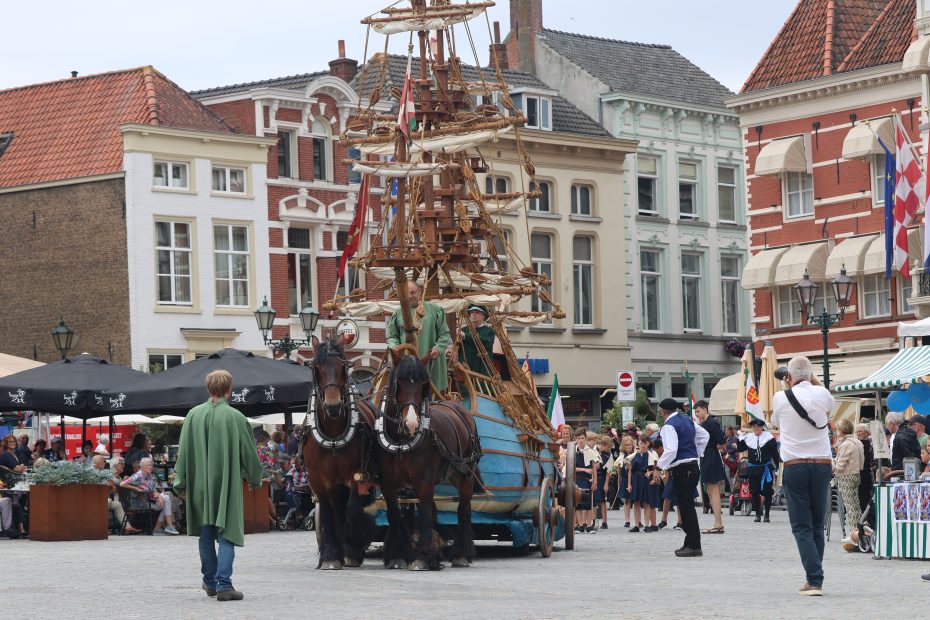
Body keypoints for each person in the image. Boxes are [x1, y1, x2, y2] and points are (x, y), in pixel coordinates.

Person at [173, 370, 264, 602]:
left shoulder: (192, 415)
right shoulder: (236, 417)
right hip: (227, 484)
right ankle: (224, 585)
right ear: (228, 390)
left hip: (199, 485)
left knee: (205, 534)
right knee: (227, 534)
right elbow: (249, 454)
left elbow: (182, 453)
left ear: (208, 388)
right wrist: (255, 478)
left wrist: (180, 482)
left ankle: (210, 582)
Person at [770, 356, 834, 596]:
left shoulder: (780, 397)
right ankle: (814, 574)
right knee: (817, 523)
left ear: (789, 377)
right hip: (822, 463)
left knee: (801, 526)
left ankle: (814, 579)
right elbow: (827, 404)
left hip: (795, 465)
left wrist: (790, 385)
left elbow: (775, 422)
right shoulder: (823, 394)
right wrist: (810, 377)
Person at [657, 398, 709, 557]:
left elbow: (671, 450)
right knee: (686, 506)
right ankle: (690, 541)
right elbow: (704, 435)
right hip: (692, 466)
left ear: (664, 412)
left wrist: (659, 466)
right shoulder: (686, 419)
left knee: (686, 508)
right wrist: (697, 453)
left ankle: (694, 544)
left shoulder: (669, 426)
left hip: (681, 468)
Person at [385, 280, 451, 391]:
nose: (410, 296)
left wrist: (438, 349)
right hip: (405, 363)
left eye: (413, 292)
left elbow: (444, 334)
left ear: (420, 292)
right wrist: (393, 345)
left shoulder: (435, 310)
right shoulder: (398, 313)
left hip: (430, 361)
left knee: (432, 397)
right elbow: (392, 336)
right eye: (406, 293)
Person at [736, 418, 780, 523]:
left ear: (762, 428)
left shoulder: (768, 438)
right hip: (753, 469)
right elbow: (740, 449)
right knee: (754, 492)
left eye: (758, 426)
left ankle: (767, 514)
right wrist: (740, 438)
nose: (756, 428)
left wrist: (778, 467)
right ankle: (758, 514)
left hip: (766, 469)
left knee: (768, 492)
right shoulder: (749, 438)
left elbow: (775, 454)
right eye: (754, 427)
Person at [121, 457, 178, 535]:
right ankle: (164, 527)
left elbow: (153, 489)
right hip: (140, 502)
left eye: (151, 465)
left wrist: (159, 497)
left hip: (149, 500)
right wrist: (136, 488)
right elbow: (122, 484)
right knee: (167, 499)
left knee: (166, 500)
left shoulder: (149, 475)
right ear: (142, 466)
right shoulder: (138, 475)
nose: (151, 467)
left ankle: (164, 528)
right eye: (148, 465)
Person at [694, 400, 726, 534]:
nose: (696, 414)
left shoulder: (711, 423)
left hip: (711, 456)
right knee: (710, 490)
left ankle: (718, 524)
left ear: (705, 410)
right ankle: (717, 523)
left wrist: (716, 447)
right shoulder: (703, 423)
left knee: (713, 490)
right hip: (706, 456)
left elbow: (721, 441)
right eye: (695, 412)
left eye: (698, 411)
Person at [833, 419, 864, 545]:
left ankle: (854, 534)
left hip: (847, 476)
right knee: (855, 506)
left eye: (837, 429)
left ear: (842, 430)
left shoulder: (846, 444)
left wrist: (833, 469)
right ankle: (858, 531)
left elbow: (841, 464)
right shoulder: (857, 441)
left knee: (850, 507)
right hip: (856, 474)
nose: (836, 432)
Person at [92, 455, 140, 534]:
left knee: (117, 505)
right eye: (104, 461)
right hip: (96, 499)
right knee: (108, 501)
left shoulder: (103, 473)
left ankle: (127, 527)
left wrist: (111, 487)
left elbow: (108, 490)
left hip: (105, 497)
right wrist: (114, 486)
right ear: (97, 462)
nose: (105, 464)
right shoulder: (93, 472)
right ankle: (102, 528)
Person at [627, 435, 659, 532]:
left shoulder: (652, 456)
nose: (643, 445)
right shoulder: (634, 456)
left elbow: (656, 470)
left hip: (646, 480)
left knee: (646, 503)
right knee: (636, 503)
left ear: (648, 443)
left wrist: (651, 473)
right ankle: (636, 525)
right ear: (637, 444)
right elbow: (630, 471)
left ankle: (646, 525)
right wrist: (629, 484)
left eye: (645, 443)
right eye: (641, 443)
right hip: (636, 480)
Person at [455, 305, 495, 376]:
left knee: (481, 386)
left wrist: (465, 336)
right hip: (465, 367)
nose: (473, 314)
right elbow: (457, 347)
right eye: (471, 312)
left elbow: (487, 343)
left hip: (482, 368)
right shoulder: (464, 330)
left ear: (483, 316)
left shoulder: (489, 331)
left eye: (477, 312)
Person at [573, 428, 597, 534]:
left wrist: (595, 482)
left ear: (585, 438)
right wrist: (584, 469)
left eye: (582, 438)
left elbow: (594, 468)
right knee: (578, 504)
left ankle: (588, 525)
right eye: (579, 438)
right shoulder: (573, 451)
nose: (581, 440)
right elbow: (571, 468)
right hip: (578, 479)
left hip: (588, 480)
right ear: (576, 439)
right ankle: (580, 525)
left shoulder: (590, 451)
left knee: (588, 504)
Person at [616, 435, 635, 527]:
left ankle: (637, 520)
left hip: (634, 480)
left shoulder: (636, 455)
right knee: (626, 500)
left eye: (629, 445)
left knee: (636, 500)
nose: (628, 447)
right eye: (626, 445)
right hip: (624, 479)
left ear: (632, 445)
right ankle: (627, 520)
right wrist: (618, 482)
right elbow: (619, 471)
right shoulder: (622, 456)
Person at [595, 436, 612, 529]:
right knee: (597, 501)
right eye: (603, 445)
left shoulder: (607, 456)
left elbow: (608, 471)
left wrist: (606, 484)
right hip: (597, 478)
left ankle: (604, 521)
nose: (603, 447)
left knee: (602, 501)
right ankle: (595, 520)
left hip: (602, 479)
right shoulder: (599, 453)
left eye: (606, 446)